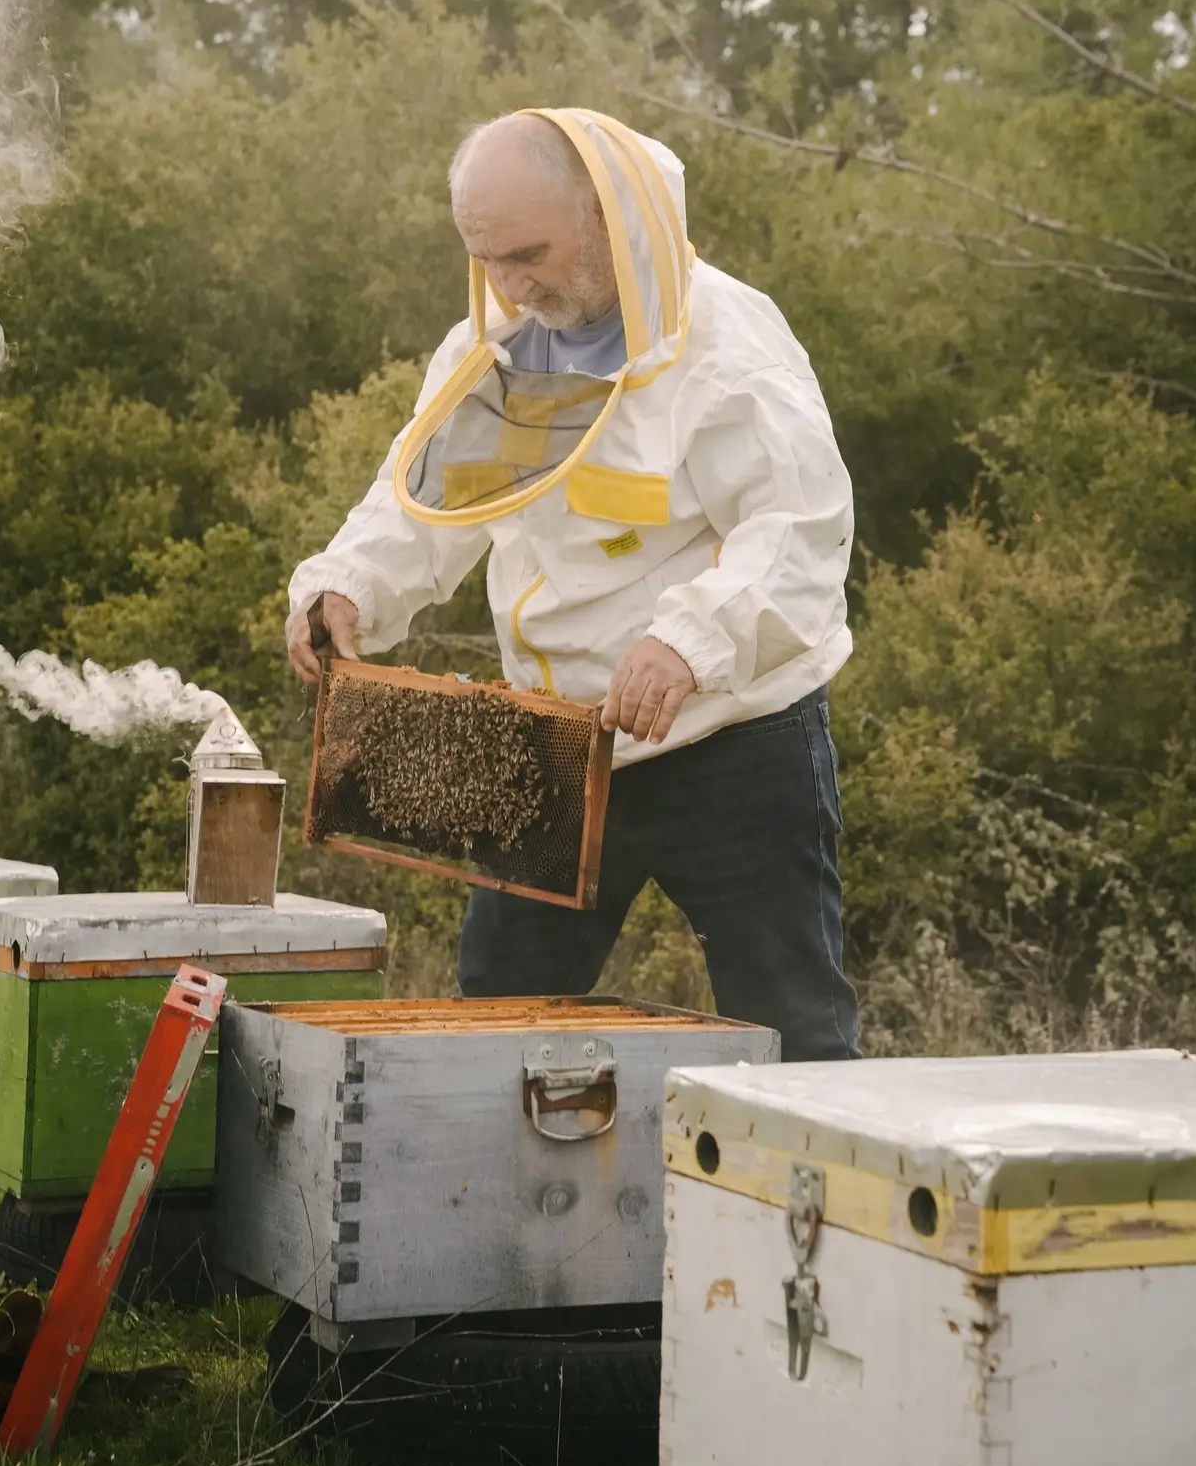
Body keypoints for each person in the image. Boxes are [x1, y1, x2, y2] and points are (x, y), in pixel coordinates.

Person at [286, 107, 859, 1061]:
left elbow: (798, 528)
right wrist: (346, 587)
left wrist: (689, 640)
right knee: (498, 1016)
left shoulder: (724, 343)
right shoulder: (496, 343)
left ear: (604, 212)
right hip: (551, 744)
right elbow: (419, 503)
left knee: (788, 1027)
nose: (511, 282)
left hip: (729, 740)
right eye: (488, 260)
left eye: (528, 253)